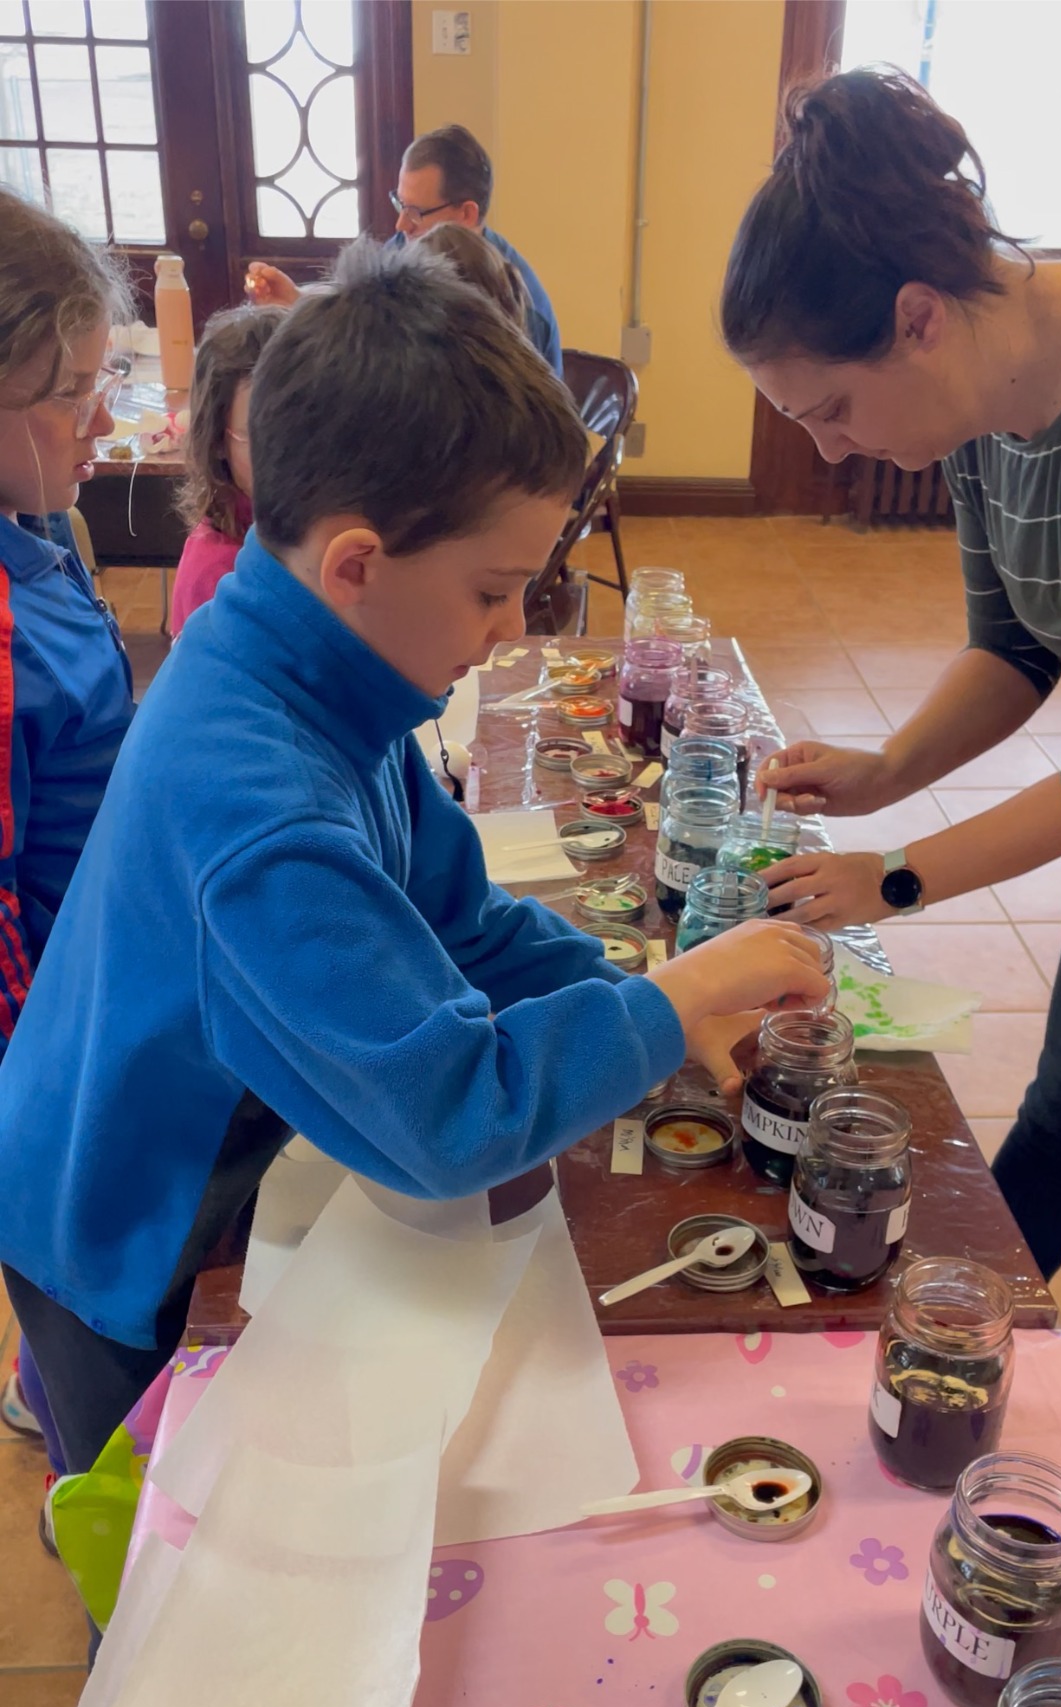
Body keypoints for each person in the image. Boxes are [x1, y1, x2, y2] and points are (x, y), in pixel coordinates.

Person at [0, 241, 826, 1489]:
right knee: (164, 1524)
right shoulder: (259, 813)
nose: (511, 628)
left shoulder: (324, 663)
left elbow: (462, 918)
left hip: (206, 1134)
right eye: (494, 591)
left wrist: (652, 981)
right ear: (356, 563)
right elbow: (448, 1115)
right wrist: (664, 1008)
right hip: (121, 1227)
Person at [720, 66, 1061, 1282]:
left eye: (833, 408)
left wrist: (893, 880)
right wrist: (884, 772)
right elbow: (1011, 645)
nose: (827, 445)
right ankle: (935, 1315)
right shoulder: (978, 398)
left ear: (916, 319)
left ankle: (949, 1325)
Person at [0, 187, 135, 1468]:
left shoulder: (45, 531)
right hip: (55, 1078)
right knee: (98, 1371)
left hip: (95, 1003)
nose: (105, 418)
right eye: (72, 392)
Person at [247, 123, 563, 373]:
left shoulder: (520, 309)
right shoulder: (407, 246)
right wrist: (298, 303)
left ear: (466, 214)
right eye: (401, 204)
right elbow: (360, 313)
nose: (401, 225)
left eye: (417, 212)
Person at [170, 302, 285, 635]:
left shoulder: (288, 526)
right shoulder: (219, 576)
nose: (289, 455)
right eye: (261, 437)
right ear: (218, 440)